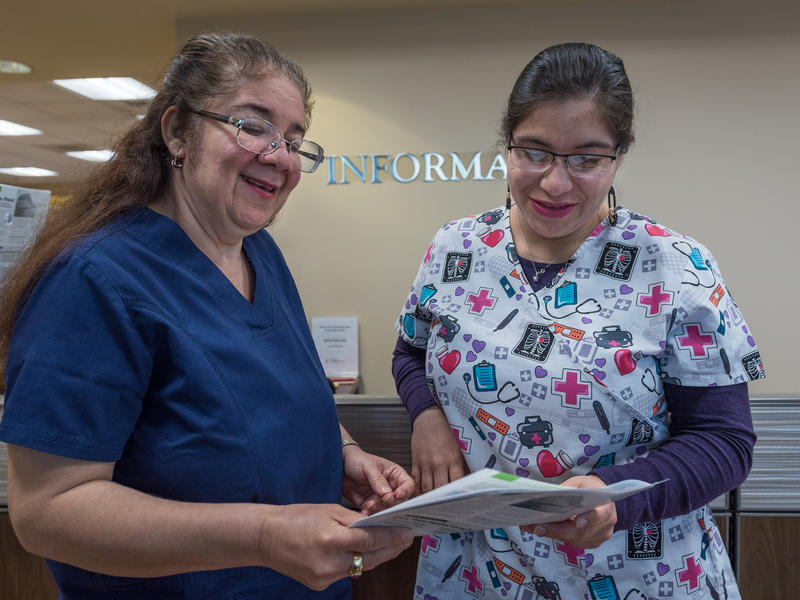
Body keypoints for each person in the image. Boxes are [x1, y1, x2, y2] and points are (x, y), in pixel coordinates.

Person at [0, 31, 414, 599]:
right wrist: (266, 537)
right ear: (177, 132)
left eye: (295, 140)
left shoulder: (258, 253)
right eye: (252, 125)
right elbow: (47, 510)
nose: (280, 156)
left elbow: (272, 398)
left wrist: (344, 453)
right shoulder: (94, 280)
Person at [393, 42, 763, 599]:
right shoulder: (456, 250)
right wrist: (427, 417)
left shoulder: (673, 266)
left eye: (586, 158)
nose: (555, 183)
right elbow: (411, 352)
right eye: (534, 152)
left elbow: (724, 441)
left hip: (638, 572)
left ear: (618, 155)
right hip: (477, 573)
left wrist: (613, 495)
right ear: (508, 143)